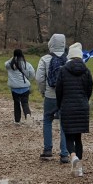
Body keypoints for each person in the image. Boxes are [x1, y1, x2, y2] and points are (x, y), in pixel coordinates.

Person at [55, 42, 93, 177]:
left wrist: (59, 106)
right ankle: (79, 168)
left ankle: (73, 157)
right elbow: (90, 89)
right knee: (79, 138)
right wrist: (84, 100)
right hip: (82, 106)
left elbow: (58, 90)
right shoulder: (86, 71)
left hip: (67, 106)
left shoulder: (63, 70)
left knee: (68, 135)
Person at [36, 33, 69, 162]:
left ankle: (48, 149)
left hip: (50, 95)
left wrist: (43, 91)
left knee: (47, 120)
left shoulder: (45, 59)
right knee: (64, 123)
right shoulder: (69, 59)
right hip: (65, 96)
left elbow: (39, 78)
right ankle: (64, 153)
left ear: (50, 43)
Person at [5, 48, 36, 123]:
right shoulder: (26, 64)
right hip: (25, 87)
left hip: (14, 88)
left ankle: (17, 120)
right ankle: (27, 114)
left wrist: (13, 58)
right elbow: (32, 74)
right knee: (25, 103)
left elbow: (6, 63)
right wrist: (28, 79)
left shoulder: (9, 65)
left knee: (16, 103)